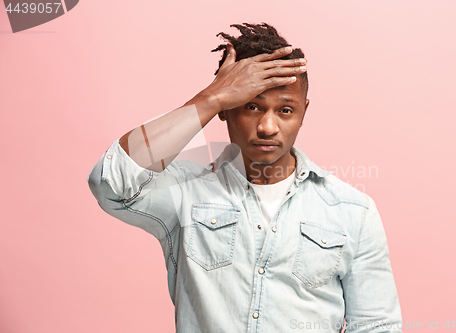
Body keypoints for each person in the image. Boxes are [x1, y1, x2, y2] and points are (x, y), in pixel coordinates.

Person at [87, 22, 403, 333]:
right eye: (251, 106)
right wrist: (210, 98)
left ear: (304, 112)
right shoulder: (185, 192)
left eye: (286, 110)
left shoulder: (352, 210)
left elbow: (378, 327)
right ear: (227, 108)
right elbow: (111, 181)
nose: (267, 127)